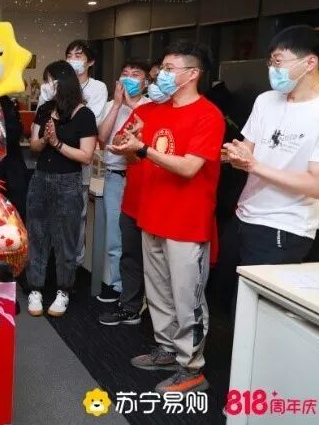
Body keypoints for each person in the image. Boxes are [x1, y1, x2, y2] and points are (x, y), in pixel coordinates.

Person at [109, 41, 224, 394]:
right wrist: (127, 148)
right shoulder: (152, 110)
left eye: (171, 69)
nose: (162, 75)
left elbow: (189, 167)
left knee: (187, 298)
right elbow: (130, 153)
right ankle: (167, 349)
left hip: (187, 222)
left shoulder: (208, 115)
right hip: (151, 214)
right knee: (158, 291)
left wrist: (143, 149)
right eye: (163, 68)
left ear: (193, 74)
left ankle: (192, 368)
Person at [223, 25, 319, 266]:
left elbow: (317, 185)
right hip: (244, 215)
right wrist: (236, 156)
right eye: (270, 63)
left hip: (285, 226)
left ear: (309, 63)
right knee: (224, 287)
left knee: (257, 291)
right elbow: (246, 154)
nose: (272, 69)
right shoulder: (266, 101)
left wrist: (254, 165)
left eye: (278, 61)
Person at [26, 61, 97, 317]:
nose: (46, 85)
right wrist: (45, 140)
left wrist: (57, 143)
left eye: (50, 80)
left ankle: (63, 290)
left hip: (68, 182)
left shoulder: (84, 114)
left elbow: (86, 156)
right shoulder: (45, 109)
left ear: (63, 83)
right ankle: (35, 288)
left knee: (66, 239)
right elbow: (34, 145)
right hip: (40, 179)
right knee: (37, 235)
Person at [94, 59, 151, 304]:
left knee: (141, 238)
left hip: (142, 178)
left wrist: (132, 106)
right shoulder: (110, 105)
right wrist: (118, 105)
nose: (129, 78)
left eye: (135, 74)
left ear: (146, 82)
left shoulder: (151, 106)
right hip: (115, 176)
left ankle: (141, 291)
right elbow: (102, 138)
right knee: (115, 237)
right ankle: (118, 286)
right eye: (125, 73)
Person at [63, 40, 107, 266]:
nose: (73, 60)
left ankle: (75, 263)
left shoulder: (98, 88)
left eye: (78, 56)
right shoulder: (60, 83)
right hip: (58, 161)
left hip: (82, 160)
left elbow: (92, 122)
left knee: (77, 215)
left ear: (90, 62)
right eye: (69, 55)